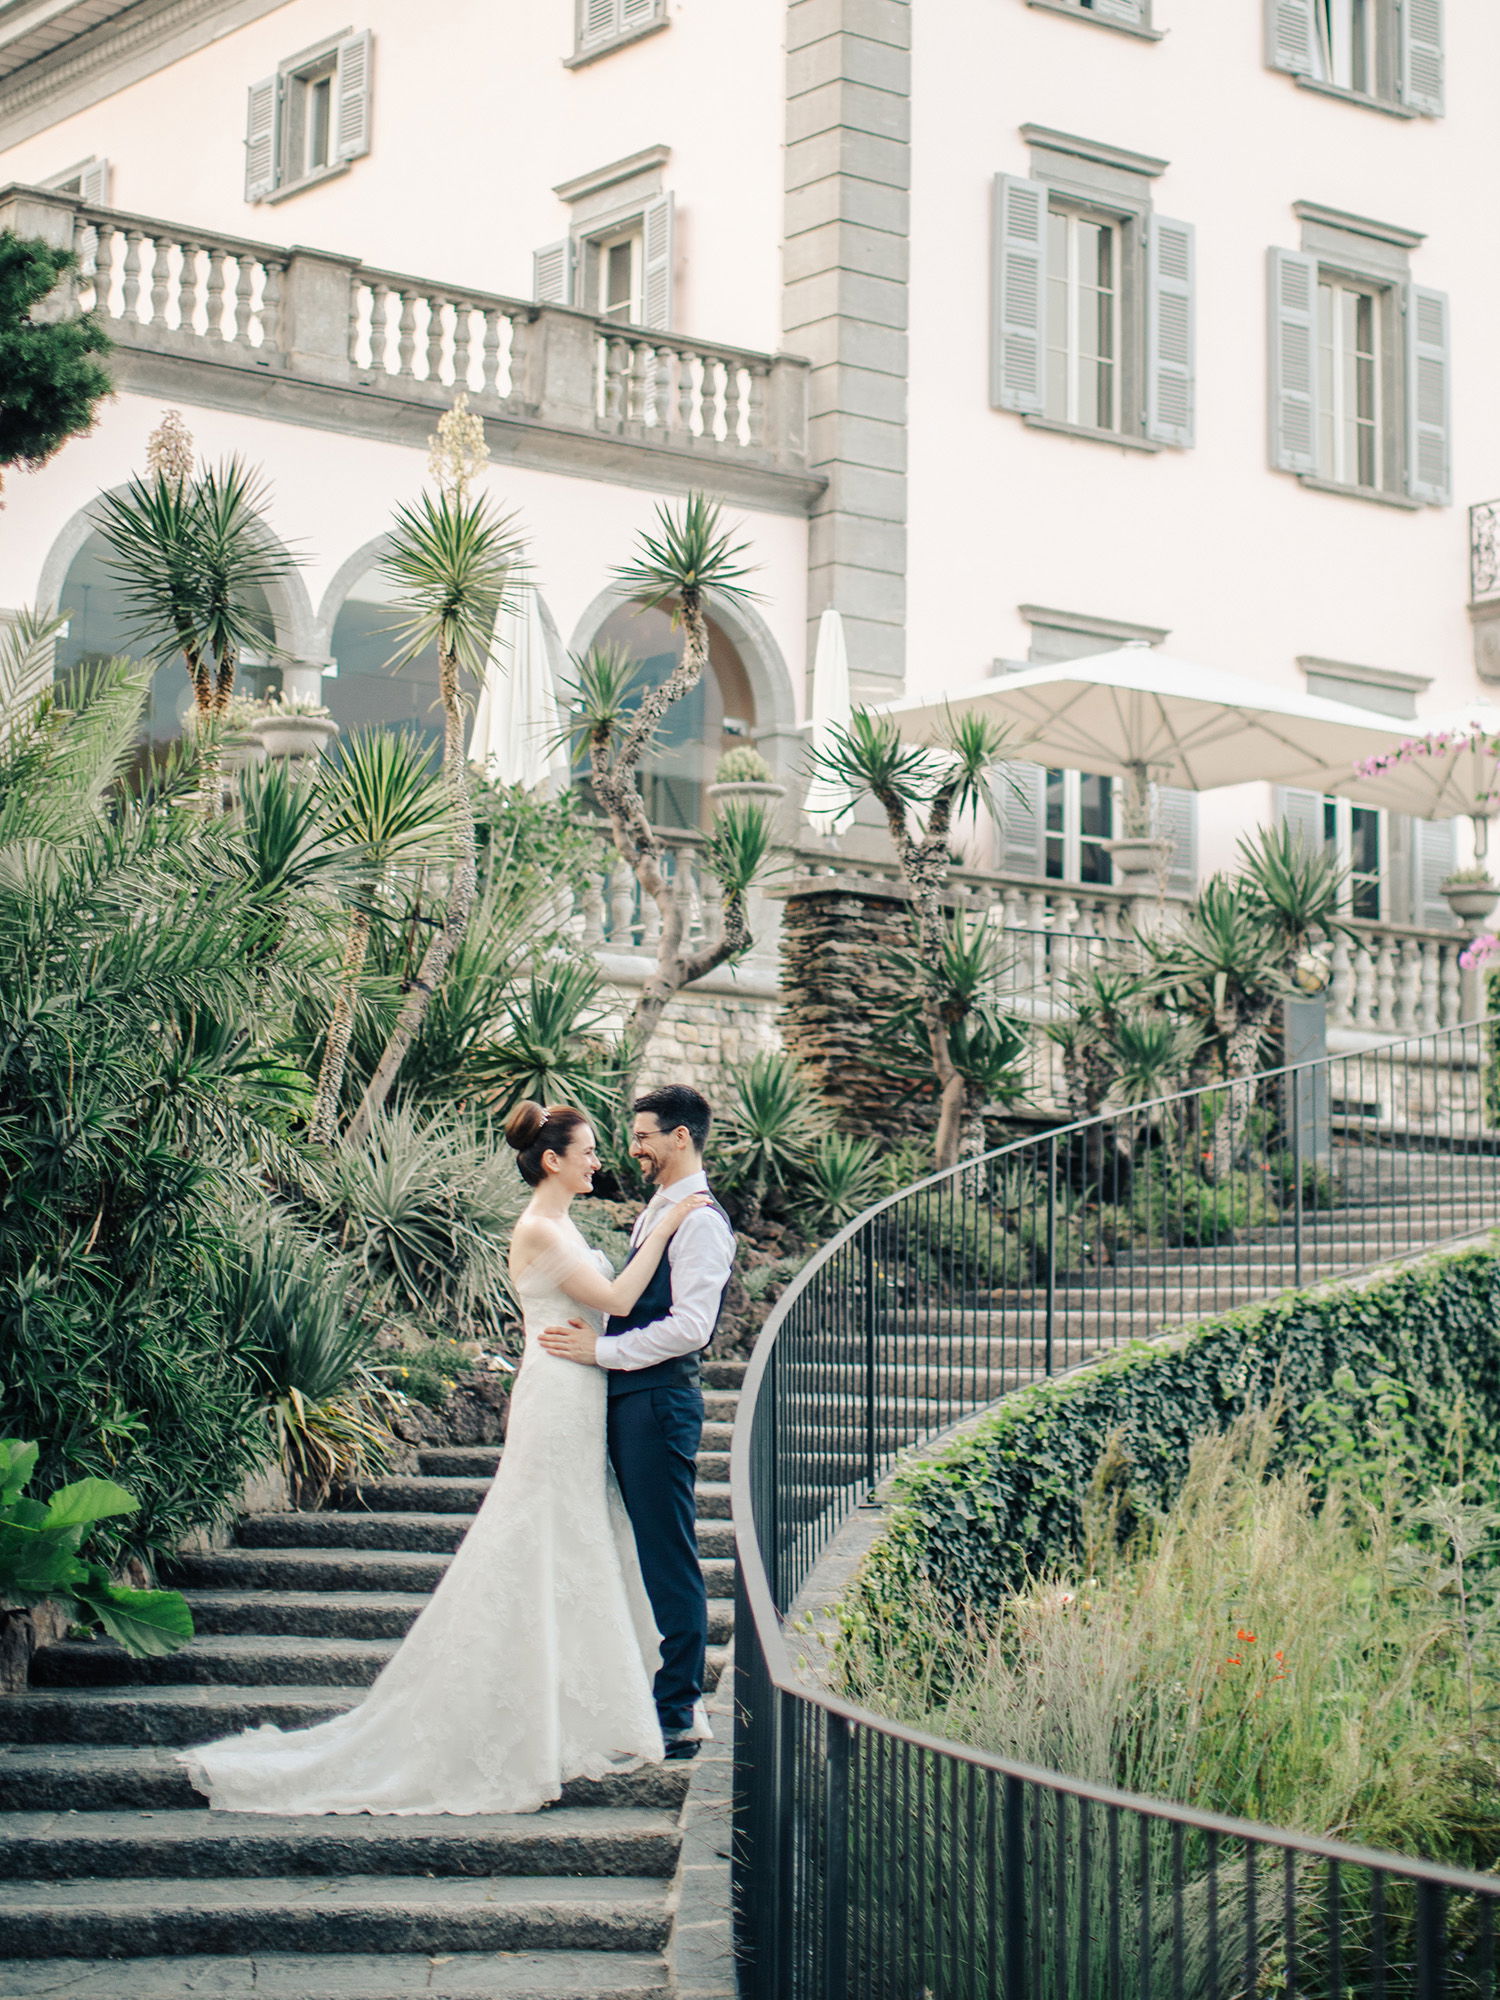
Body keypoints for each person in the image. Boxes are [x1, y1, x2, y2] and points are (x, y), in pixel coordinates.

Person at [176, 1102, 706, 1816]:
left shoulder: (565, 1223)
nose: (598, 1161)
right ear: (552, 1160)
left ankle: (577, 1712)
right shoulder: (539, 1230)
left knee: (577, 1543)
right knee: (538, 1537)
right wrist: (668, 1224)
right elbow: (613, 1296)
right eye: (585, 1151)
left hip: (585, 1392)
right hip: (558, 1394)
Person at [539, 1083, 735, 1761]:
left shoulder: (701, 1219)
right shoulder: (662, 1209)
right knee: (640, 1548)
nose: (635, 1147)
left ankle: (679, 1706)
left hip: (658, 1402)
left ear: (681, 1137)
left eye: (646, 1134)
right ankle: (653, 1693)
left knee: (667, 1551)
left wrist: (604, 1352)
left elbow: (690, 1327)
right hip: (631, 1399)